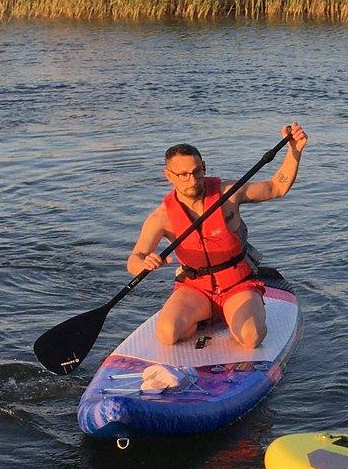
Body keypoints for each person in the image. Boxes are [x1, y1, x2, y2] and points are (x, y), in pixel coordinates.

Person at [126, 124, 307, 348]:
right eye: (182, 175)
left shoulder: (228, 194)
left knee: (251, 338)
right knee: (168, 333)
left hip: (238, 285)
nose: (192, 181)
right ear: (168, 176)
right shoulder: (160, 218)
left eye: (197, 171)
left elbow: (274, 188)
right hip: (195, 288)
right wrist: (144, 263)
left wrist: (294, 151)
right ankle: (204, 317)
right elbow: (134, 260)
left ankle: (241, 311)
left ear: (204, 167)